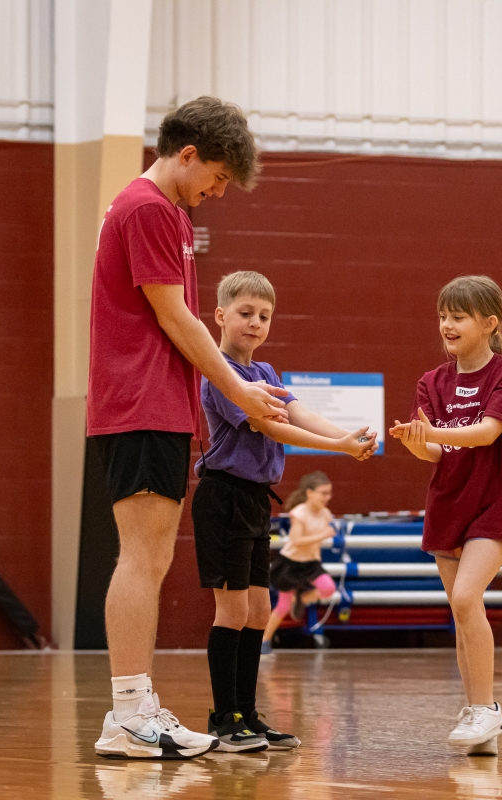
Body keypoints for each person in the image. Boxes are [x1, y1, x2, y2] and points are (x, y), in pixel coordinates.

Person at [88, 98, 293, 760]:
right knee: (142, 558)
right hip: (139, 403)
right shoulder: (148, 208)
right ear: (187, 155)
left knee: (152, 557)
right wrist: (239, 388)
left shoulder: (167, 213)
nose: (219, 191)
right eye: (218, 176)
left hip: (155, 406)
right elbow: (177, 319)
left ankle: (130, 709)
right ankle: (129, 710)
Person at [191, 271, 377, 753]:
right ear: (220, 315)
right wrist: (336, 447)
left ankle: (248, 714)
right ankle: (223, 718)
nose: (255, 323)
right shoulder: (220, 375)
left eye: (264, 316)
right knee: (231, 610)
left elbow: (298, 414)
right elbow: (273, 428)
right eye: (246, 313)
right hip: (224, 495)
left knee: (256, 610)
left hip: (255, 499)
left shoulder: (267, 373)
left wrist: (349, 436)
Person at [390, 275, 502, 757]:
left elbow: (489, 432)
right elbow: (435, 450)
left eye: (458, 316)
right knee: (460, 610)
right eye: (443, 316)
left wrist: (436, 432)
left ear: (490, 323)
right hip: (448, 504)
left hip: (493, 504)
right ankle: (479, 714)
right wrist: (417, 442)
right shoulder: (432, 381)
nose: (447, 325)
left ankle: (487, 710)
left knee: (468, 597)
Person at [262, 471, 340, 654]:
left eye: (329, 493)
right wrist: (323, 534)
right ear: (310, 493)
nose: (327, 497)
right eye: (323, 493)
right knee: (282, 607)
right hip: (291, 563)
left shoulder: (326, 514)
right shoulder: (299, 513)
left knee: (328, 588)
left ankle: (300, 599)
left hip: (311, 563)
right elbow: (296, 541)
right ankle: (264, 640)